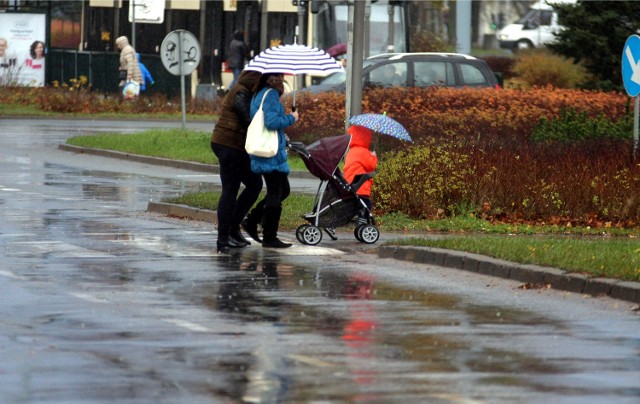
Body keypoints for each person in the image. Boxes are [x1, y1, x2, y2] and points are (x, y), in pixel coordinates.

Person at [243, 73, 299, 248]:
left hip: (266, 151)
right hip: (270, 153)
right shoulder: (271, 94)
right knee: (276, 192)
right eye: (281, 78)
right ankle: (269, 236)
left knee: (283, 191)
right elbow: (272, 122)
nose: (282, 82)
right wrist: (292, 118)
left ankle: (252, 220)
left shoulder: (259, 93)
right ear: (276, 80)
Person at [211, 70, 264, 252]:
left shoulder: (244, 89)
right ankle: (224, 236)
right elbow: (248, 119)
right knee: (231, 189)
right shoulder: (242, 92)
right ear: (257, 80)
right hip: (229, 145)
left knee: (253, 184)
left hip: (230, 144)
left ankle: (232, 230)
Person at [343, 125, 378, 212]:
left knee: (354, 204)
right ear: (365, 137)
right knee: (366, 205)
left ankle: (354, 217)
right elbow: (371, 166)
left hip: (350, 184)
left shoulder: (351, 151)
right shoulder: (363, 152)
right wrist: (374, 156)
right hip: (361, 186)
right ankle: (362, 221)